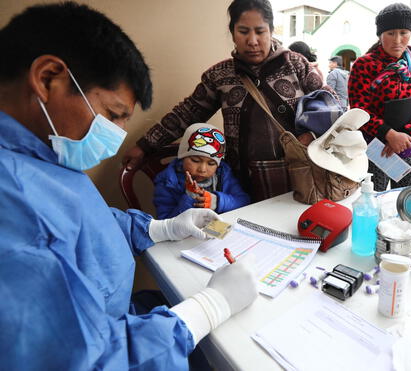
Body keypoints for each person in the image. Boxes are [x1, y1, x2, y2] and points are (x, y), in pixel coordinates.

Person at [0, 3, 257, 370]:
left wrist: (159, 227)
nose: (118, 134)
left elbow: (85, 221)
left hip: (130, 318)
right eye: (114, 114)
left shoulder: (42, 157)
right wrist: (208, 308)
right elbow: (85, 361)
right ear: (48, 78)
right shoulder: (13, 204)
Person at [123, 0, 332, 201]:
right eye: (243, 31)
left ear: (270, 30)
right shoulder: (219, 76)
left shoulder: (296, 65)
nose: (252, 41)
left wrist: (311, 134)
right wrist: (144, 146)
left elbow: (330, 103)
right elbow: (186, 113)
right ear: (232, 33)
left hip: (301, 179)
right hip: (243, 186)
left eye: (260, 31)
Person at [348, 3, 411, 191]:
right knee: (373, 200)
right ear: (380, 34)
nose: (397, 40)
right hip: (376, 151)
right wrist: (389, 134)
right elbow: (359, 110)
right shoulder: (364, 65)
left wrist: (405, 137)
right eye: (390, 33)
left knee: (403, 204)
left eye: (403, 32)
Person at [154, 123, 250, 219]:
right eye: (195, 160)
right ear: (182, 157)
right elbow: (165, 222)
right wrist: (190, 198)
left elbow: (244, 201)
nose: (202, 169)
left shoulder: (223, 174)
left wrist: (218, 202)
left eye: (211, 163)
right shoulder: (167, 182)